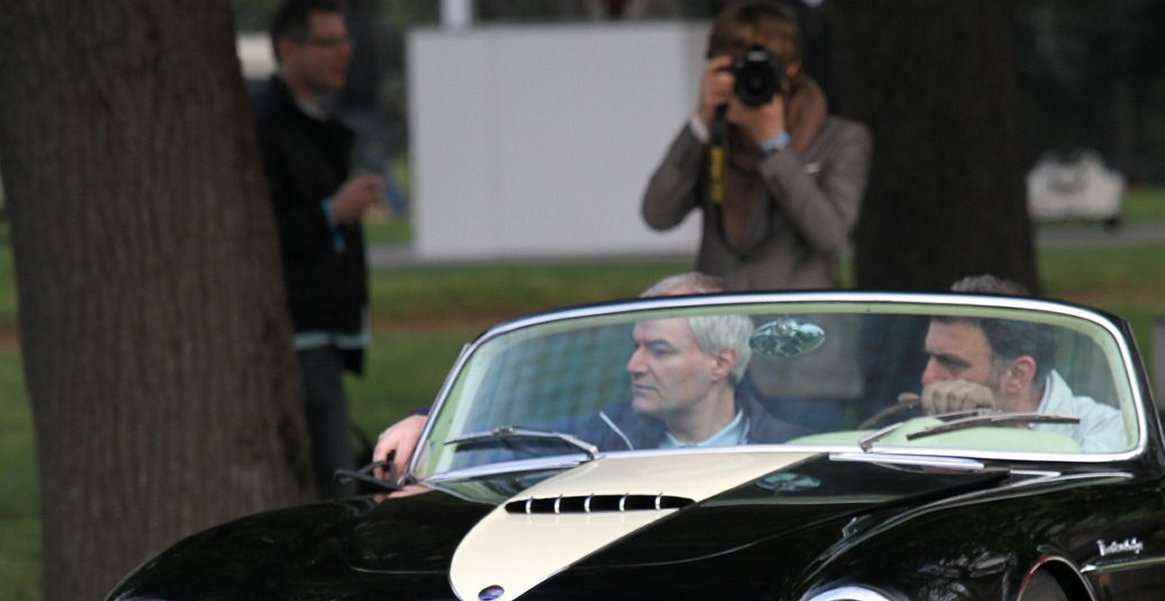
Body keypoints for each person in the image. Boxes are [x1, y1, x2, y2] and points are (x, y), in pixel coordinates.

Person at [640, 1, 871, 427]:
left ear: (793, 68)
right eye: (734, 67)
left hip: (805, 370)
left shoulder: (841, 140)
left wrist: (774, 146)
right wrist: (699, 123)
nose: (749, 78)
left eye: (762, 66)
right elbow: (657, 213)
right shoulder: (712, 139)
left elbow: (831, 234)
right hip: (716, 365)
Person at [370, 272, 801, 478]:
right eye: (635, 345)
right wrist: (427, 424)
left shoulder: (792, 451)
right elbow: (505, 443)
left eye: (659, 350)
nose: (634, 365)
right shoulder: (605, 436)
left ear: (721, 364)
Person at [255, 0, 383, 498]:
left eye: (345, 40)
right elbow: (259, 236)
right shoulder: (266, 125)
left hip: (324, 333)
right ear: (289, 49)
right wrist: (333, 212)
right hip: (298, 335)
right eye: (329, 42)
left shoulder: (320, 123)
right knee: (333, 486)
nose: (344, 53)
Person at [905, 274, 1127, 452]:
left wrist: (1002, 429)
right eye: (929, 357)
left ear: (1017, 375)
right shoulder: (916, 421)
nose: (928, 377)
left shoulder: (1111, 433)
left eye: (951, 363)